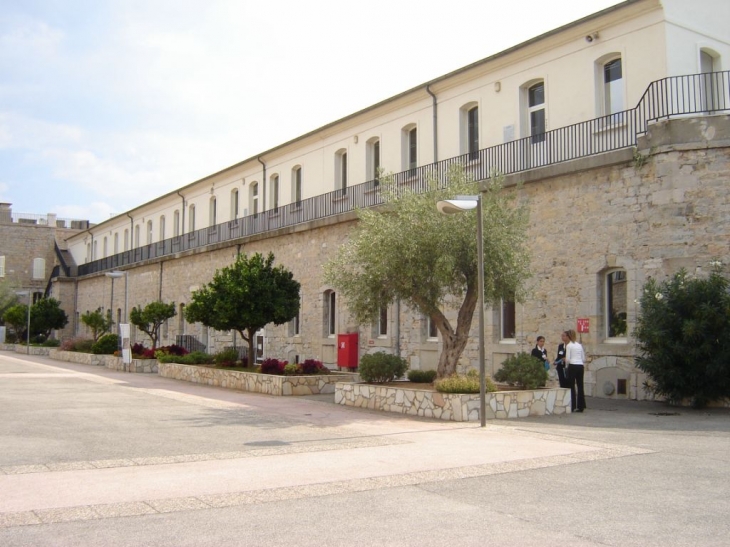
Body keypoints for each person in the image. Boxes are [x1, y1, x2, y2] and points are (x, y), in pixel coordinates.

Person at [565, 329, 586, 412]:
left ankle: (573, 405)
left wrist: (566, 366)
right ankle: (581, 406)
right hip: (580, 365)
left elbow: (568, 359)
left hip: (573, 365)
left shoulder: (569, 346)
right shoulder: (579, 345)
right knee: (580, 386)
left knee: (572, 385)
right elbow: (583, 358)